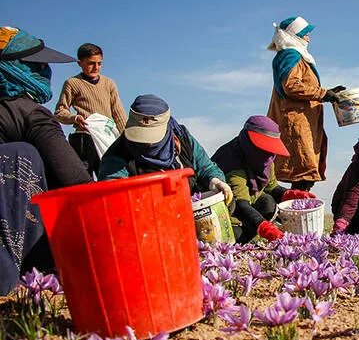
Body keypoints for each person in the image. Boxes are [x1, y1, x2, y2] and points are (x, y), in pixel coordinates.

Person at [0, 26, 92, 295]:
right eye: (38, 66)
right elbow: (77, 181)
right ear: (16, 69)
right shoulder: (32, 113)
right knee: (21, 155)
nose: (46, 72)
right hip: (17, 253)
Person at [98, 94, 233, 203]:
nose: (147, 144)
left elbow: (206, 167)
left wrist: (215, 181)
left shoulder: (182, 137)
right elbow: (113, 195)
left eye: (151, 137)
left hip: (192, 209)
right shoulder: (118, 155)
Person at [266, 16, 345, 191]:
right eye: (305, 34)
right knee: (303, 172)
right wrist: (324, 93)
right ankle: (293, 212)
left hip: (303, 121)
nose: (308, 38)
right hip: (296, 122)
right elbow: (291, 86)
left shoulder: (295, 56)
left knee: (305, 173)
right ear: (295, 35)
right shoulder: (290, 55)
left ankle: (293, 210)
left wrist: (328, 92)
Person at [212, 115, 315, 243]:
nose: (269, 157)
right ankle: (238, 242)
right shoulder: (232, 161)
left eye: (271, 151)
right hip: (224, 212)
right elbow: (239, 203)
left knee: (268, 202)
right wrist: (264, 227)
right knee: (234, 236)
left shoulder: (266, 158)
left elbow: (272, 187)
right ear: (249, 143)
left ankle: (247, 234)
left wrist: (290, 194)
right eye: (264, 149)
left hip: (248, 203)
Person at [54, 43, 127, 178]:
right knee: (83, 179)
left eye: (100, 63)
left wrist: (126, 138)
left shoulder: (108, 83)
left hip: (107, 138)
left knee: (110, 177)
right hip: (84, 138)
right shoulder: (73, 83)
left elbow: (118, 114)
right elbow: (60, 112)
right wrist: (74, 118)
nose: (96, 67)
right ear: (80, 63)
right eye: (91, 63)